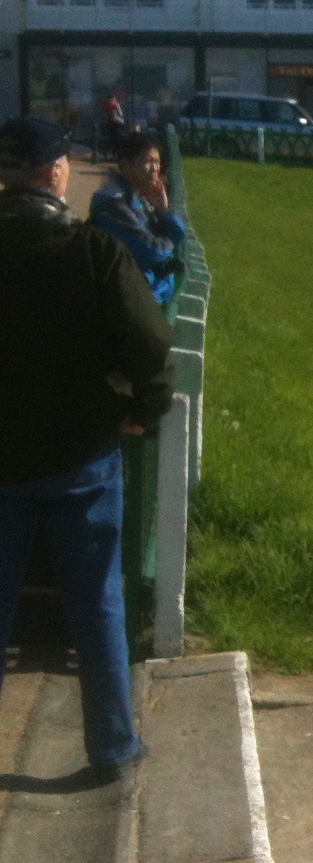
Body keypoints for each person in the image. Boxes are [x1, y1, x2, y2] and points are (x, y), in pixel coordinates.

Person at [0, 114, 172, 775]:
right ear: (55, 174)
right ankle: (112, 746)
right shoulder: (94, 253)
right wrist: (142, 412)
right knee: (97, 601)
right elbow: (151, 346)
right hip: (82, 458)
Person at [90, 128, 187, 306]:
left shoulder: (138, 195)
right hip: (129, 302)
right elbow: (152, 251)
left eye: (157, 162)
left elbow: (179, 234)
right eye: (147, 162)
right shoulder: (113, 204)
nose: (155, 169)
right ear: (125, 165)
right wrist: (169, 243)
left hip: (146, 297)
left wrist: (163, 210)